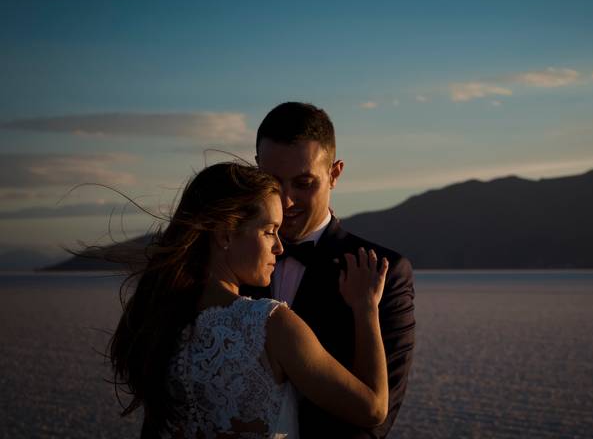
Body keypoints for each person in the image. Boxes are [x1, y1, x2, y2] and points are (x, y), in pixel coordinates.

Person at [109, 162, 390, 438]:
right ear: (226, 235)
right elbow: (373, 410)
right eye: (269, 231)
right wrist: (366, 308)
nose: (279, 246)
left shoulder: (159, 320)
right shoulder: (270, 324)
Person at [244, 102, 415, 438]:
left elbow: (377, 418)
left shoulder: (385, 270)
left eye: (304, 183)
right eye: (273, 181)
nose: (287, 199)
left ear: (335, 174)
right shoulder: (229, 258)